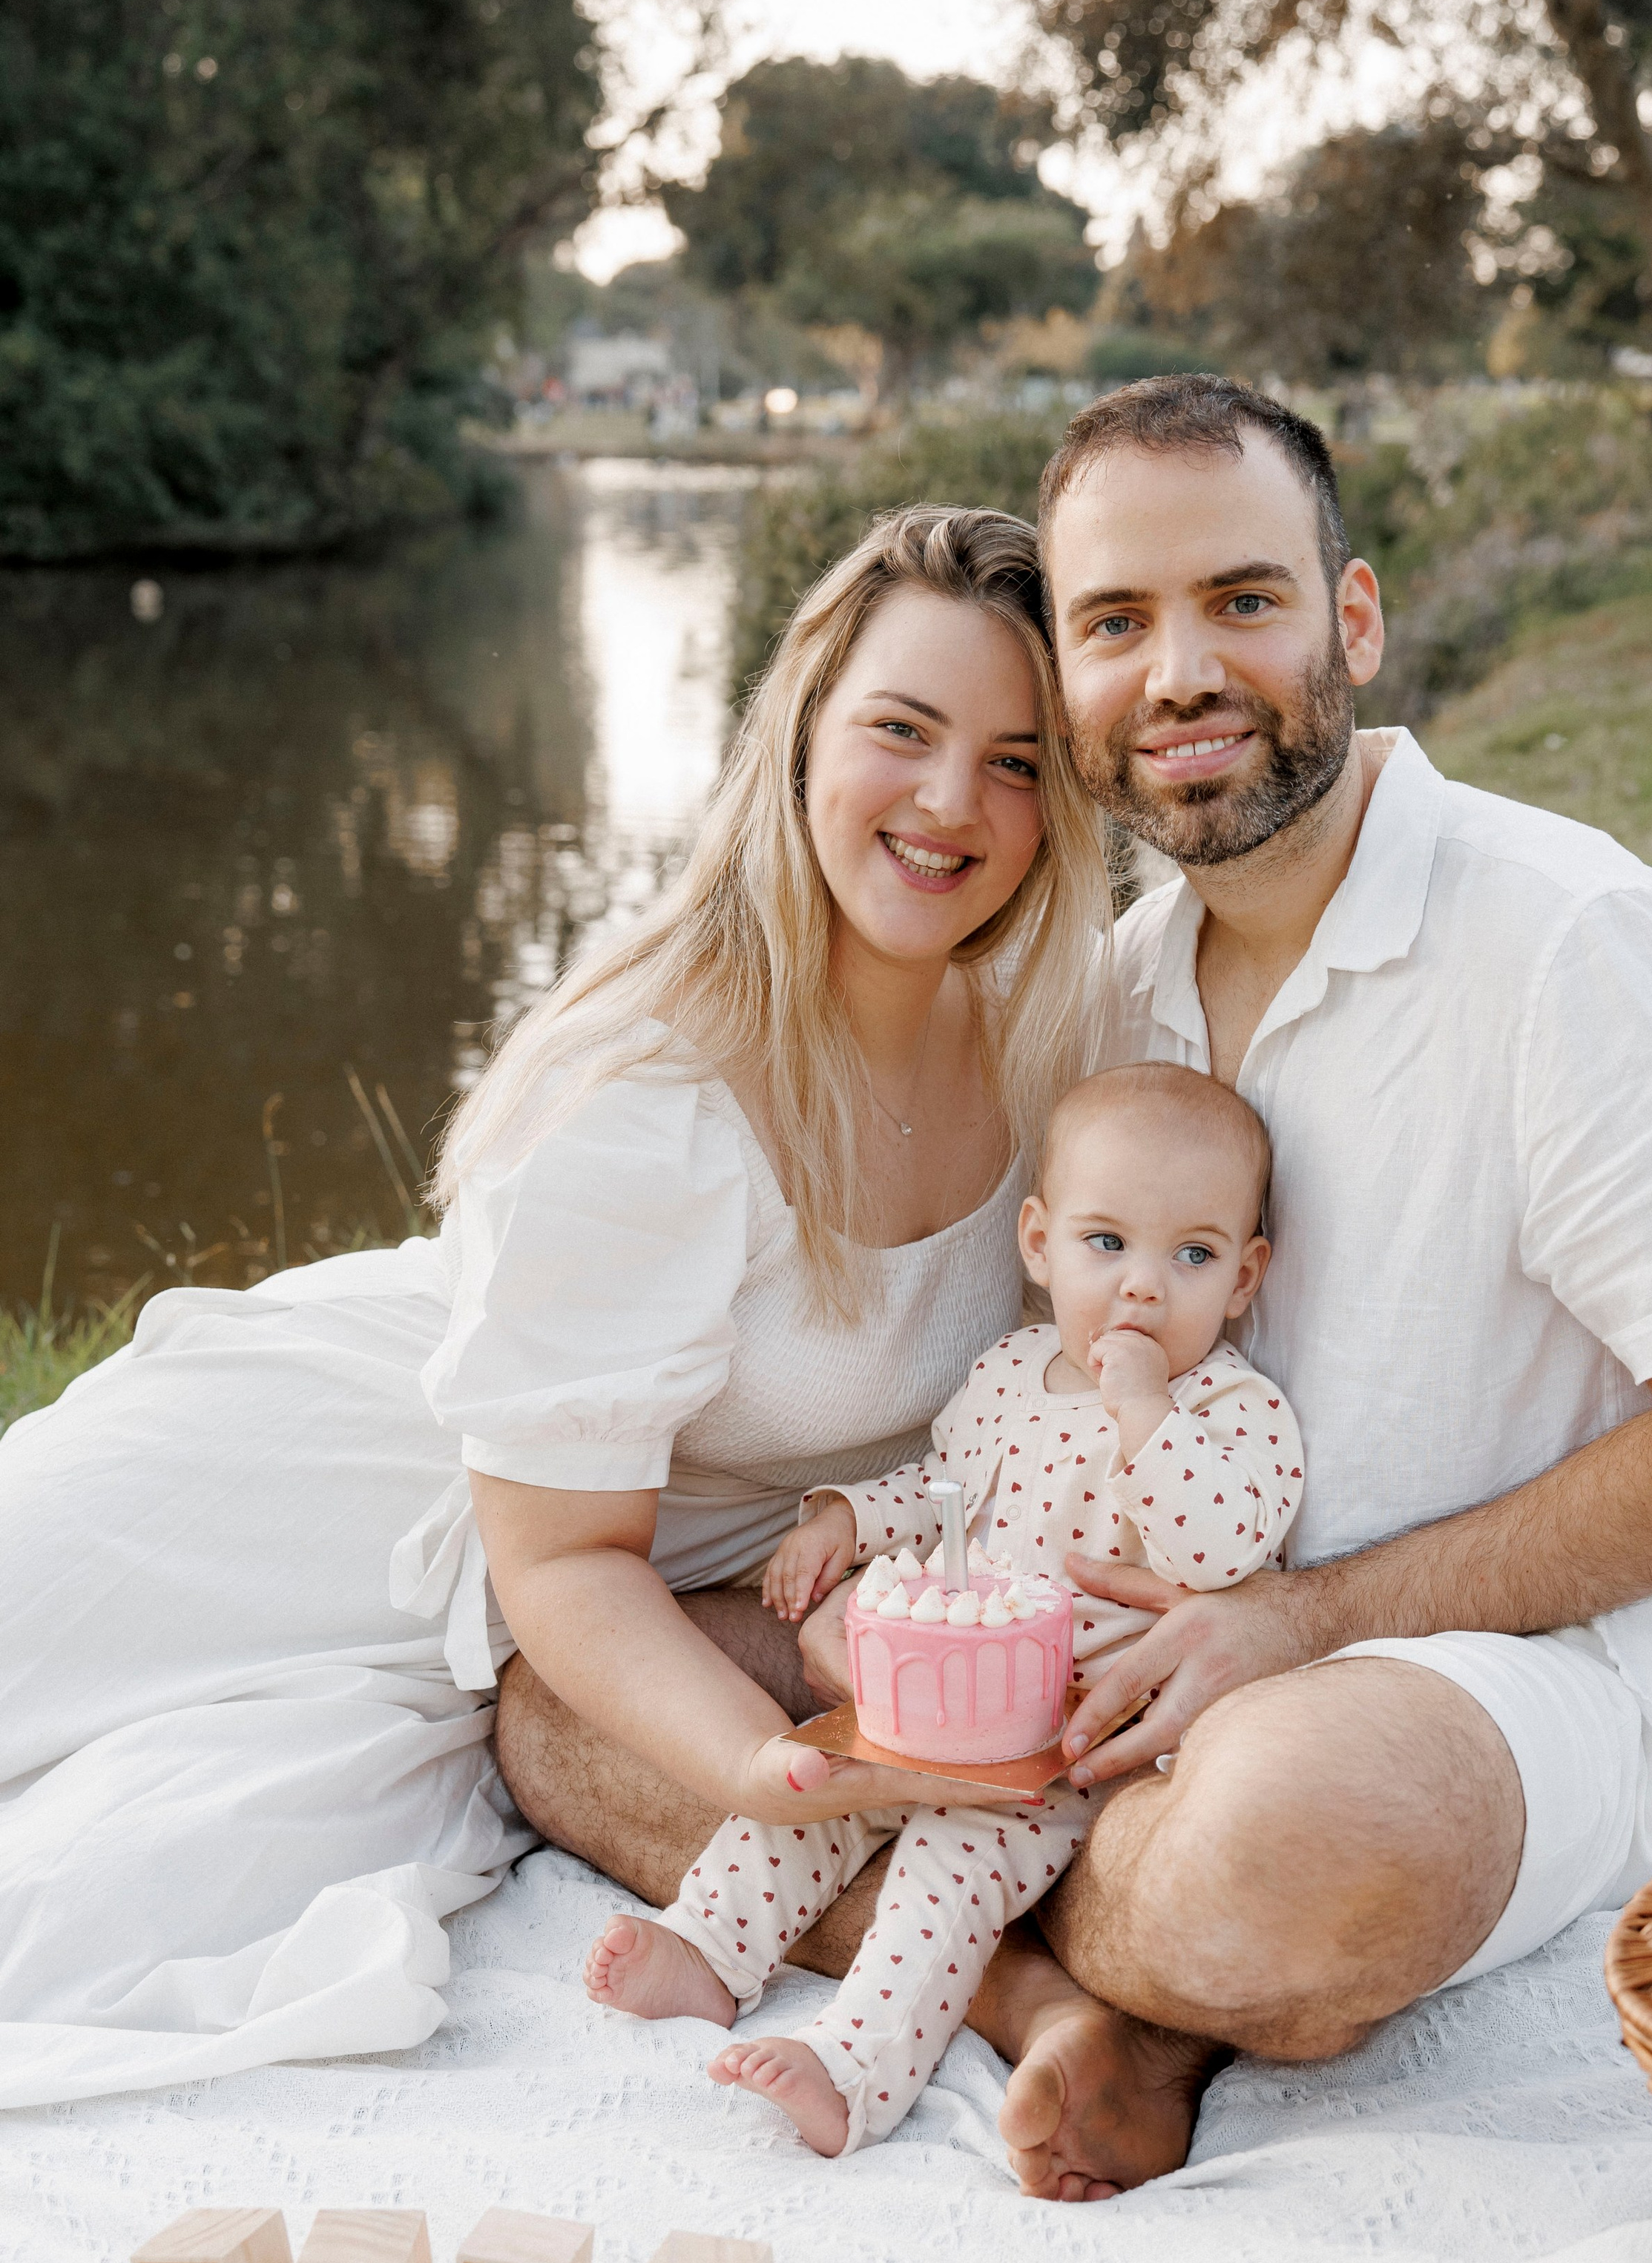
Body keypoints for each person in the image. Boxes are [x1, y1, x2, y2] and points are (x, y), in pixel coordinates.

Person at [549, 371, 1652, 2202]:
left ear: (1354, 619)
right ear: (1066, 683)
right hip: (1111, 1667)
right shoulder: (1116, 993)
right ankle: (1064, 2009)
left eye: (1240, 601)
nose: (1177, 675)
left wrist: (1297, 1624)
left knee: (1303, 1836)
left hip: (1476, 1675)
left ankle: (1088, 1953)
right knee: (574, 1694)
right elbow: (1049, 1388)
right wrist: (889, 1600)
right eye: (1113, 626)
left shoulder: (1572, 947)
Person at [0, 505, 1111, 2103]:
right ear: (801, 737)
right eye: (901, 730)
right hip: (352, 1475)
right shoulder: (655, 1084)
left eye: (1016, 760)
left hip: (623, 1567)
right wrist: (747, 1765)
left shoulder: (1046, 1044)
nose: (952, 802)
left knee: (166, 1861)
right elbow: (560, 1559)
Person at [578, 1061, 1298, 2166]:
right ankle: (708, 1951)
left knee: (946, 1872)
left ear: (1245, 1278)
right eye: (1107, 1245)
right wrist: (847, 1520)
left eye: (1190, 1256)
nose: (1142, 1288)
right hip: (940, 1690)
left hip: (1066, 1745)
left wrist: (1143, 1409)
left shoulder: (1230, 1412)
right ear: (1039, 1245)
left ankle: (855, 2069)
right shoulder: (1013, 1372)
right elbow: (942, 1486)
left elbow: (1223, 1547)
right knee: (817, 1789)